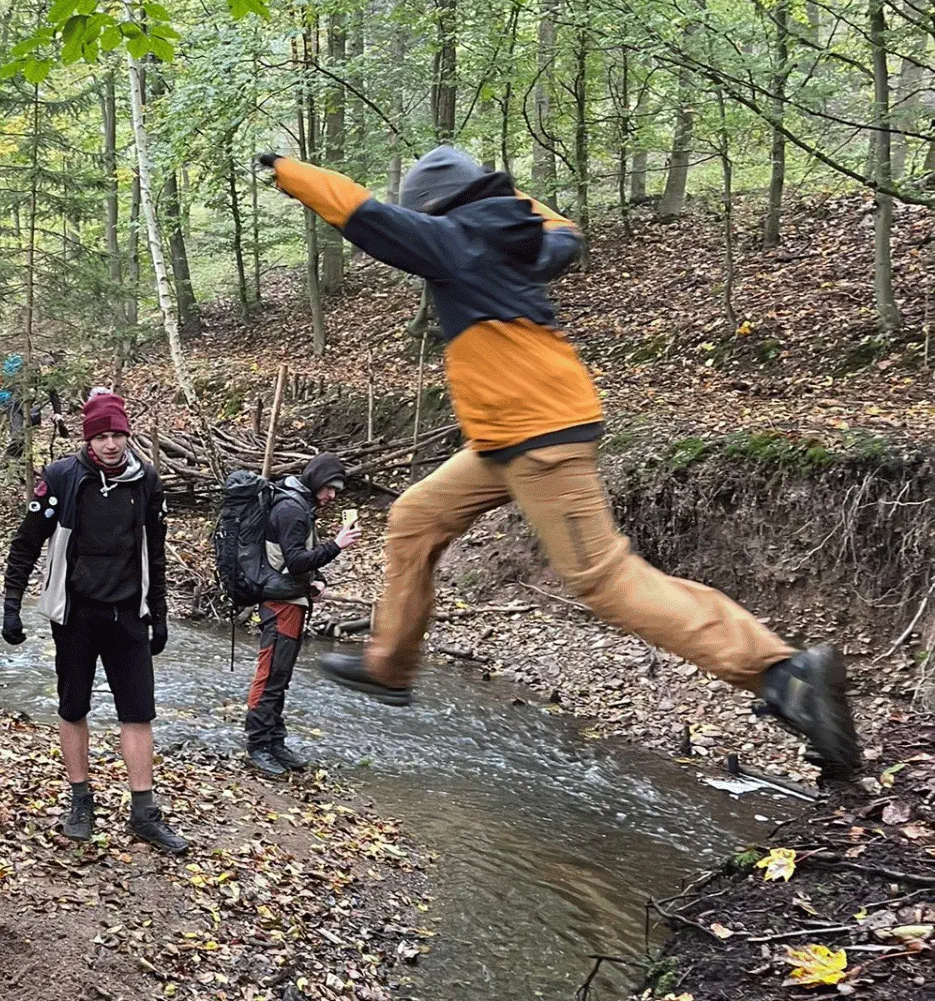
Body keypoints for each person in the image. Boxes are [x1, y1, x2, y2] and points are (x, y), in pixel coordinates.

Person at [258, 144, 861, 779]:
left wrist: (291, 172)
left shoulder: (455, 242)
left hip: (540, 437)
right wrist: (503, 195)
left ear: (435, 210)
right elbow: (563, 230)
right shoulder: (523, 234)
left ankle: (781, 673)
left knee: (604, 579)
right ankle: (390, 665)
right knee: (416, 518)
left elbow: (364, 215)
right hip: (502, 440)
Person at [2, 388, 186, 855]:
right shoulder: (62, 477)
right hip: (75, 615)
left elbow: (155, 551)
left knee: (138, 712)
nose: (110, 444)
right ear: (88, 439)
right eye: (101, 436)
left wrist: (160, 614)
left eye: (117, 435)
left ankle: (143, 812)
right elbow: (27, 541)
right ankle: (81, 800)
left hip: (128, 614)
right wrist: (11, 604)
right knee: (73, 707)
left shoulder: (146, 480)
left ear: (127, 435)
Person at [245, 453, 360, 777]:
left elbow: (296, 558)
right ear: (316, 481)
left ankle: (275, 741)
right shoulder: (292, 509)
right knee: (270, 675)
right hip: (280, 604)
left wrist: (318, 579)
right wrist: (336, 545)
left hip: (292, 600)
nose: (332, 495)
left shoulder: (300, 505)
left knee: (280, 677)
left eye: (336, 490)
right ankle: (258, 745)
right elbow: (295, 561)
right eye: (329, 488)